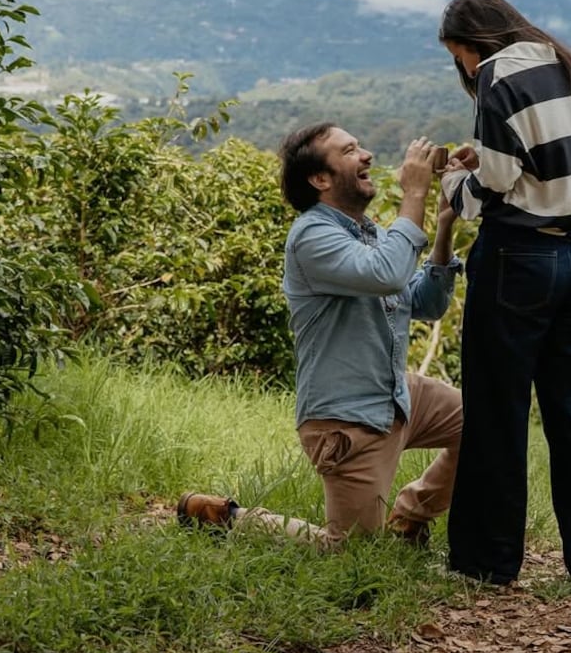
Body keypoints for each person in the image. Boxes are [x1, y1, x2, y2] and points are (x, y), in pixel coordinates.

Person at [178, 123, 463, 550]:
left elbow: (425, 302)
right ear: (321, 179)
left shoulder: (370, 234)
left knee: (486, 423)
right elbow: (386, 274)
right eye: (350, 150)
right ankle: (226, 517)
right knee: (348, 550)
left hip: (398, 395)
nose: (366, 155)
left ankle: (409, 517)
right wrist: (414, 195)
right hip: (350, 420)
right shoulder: (311, 236)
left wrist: (442, 224)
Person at [436, 0, 571, 584]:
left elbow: (492, 187)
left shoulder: (495, 74)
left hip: (520, 258)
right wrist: (486, 160)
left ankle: (486, 565)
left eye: (458, 56)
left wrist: (450, 183)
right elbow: (545, 158)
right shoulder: (556, 59)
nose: (463, 69)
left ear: (471, 45)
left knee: (497, 411)